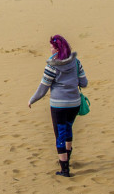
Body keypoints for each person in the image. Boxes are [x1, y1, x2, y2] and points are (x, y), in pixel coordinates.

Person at [28, 35, 88, 177]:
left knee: (60, 134)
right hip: (74, 103)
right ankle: (67, 158)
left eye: (51, 47)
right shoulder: (76, 62)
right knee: (68, 129)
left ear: (56, 49)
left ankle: (64, 169)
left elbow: (43, 88)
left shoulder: (51, 66)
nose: (50, 49)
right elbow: (84, 83)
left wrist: (32, 100)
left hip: (59, 105)